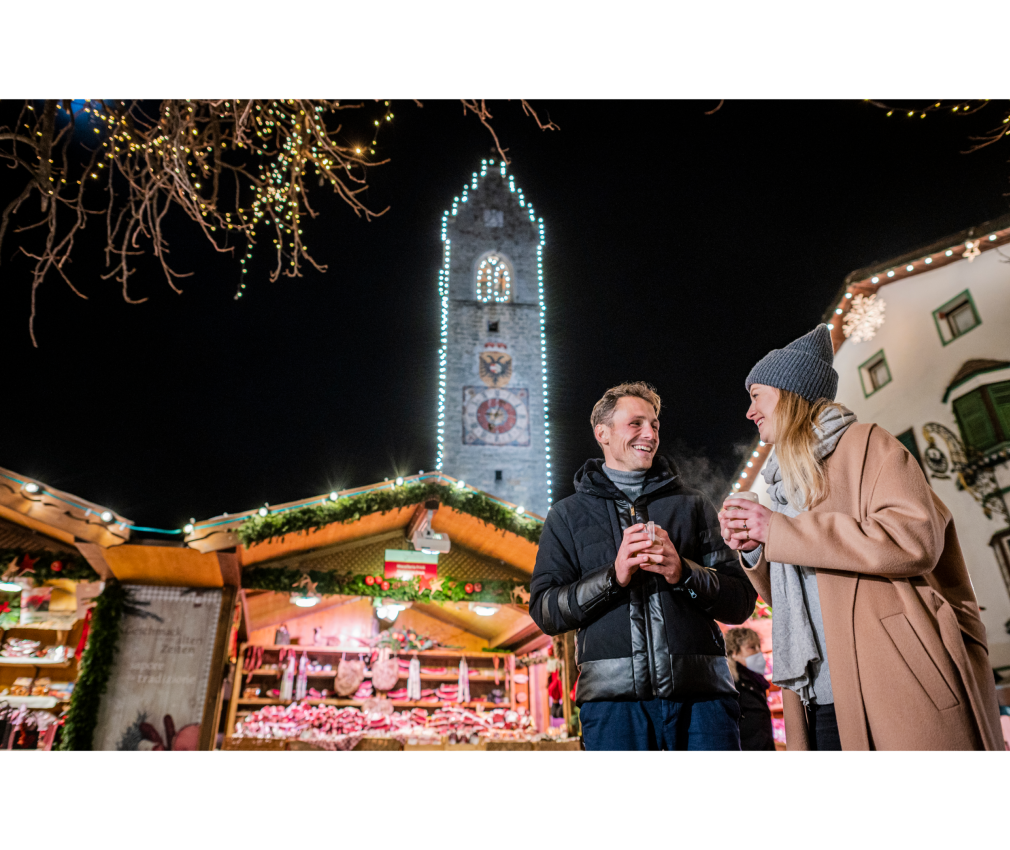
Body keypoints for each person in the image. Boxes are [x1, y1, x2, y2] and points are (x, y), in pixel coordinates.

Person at [719, 325, 1004, 752]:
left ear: (787, 391)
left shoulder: (867, 444)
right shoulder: (782, 484)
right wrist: (757, 548)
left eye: (756, 395)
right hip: (817, 692)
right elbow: (806, 594)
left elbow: (915, 538)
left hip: (887, 678)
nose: (749, 411)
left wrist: (779, 529)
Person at [530, 382, 757, 752]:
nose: (649, 434)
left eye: (654, 425)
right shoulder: (566, 516)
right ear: (601, 433)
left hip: (704, 700)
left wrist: (683, 573)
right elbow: (545, 611)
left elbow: (740, 602)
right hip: (612, 706)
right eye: (635, 424)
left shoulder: (693, 505)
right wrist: (612, 578)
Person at [725, 627, 776, 753]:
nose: (759, 652)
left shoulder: (757, 683)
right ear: (734, 652)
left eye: (759, 647)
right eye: (752, 647)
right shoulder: (732, 686)